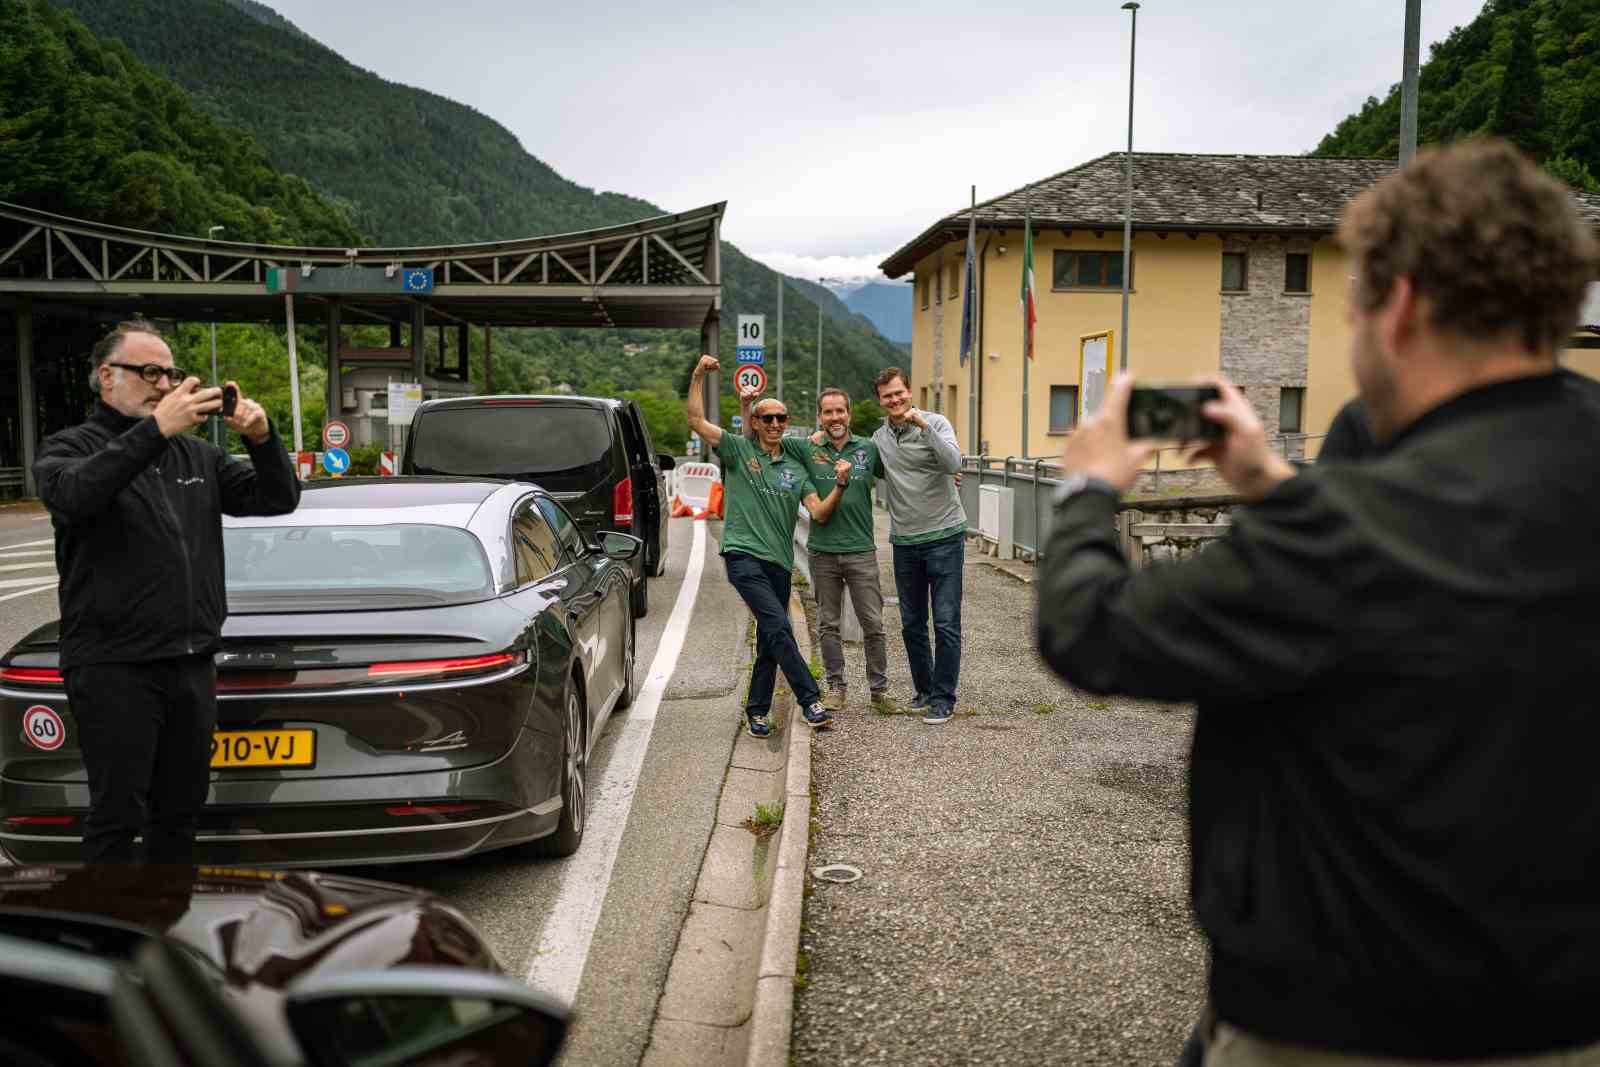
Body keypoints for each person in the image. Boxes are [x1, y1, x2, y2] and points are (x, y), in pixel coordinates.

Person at [1036, 140, 1600, 1064]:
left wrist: (1088, 489)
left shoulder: (1354, 526)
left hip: (1346, 1020)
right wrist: (1273, 482)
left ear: (1402, 306)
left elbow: (1090, 629)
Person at [32, 320, 301, 864]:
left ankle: (163, 930)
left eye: (169, 373)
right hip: (113, 665)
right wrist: (154, 431)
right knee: (117, 815)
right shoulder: (68, 448)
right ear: (106, 377)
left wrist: (262, 439)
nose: (162, 384)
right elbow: (77, 497)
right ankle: (106, 939)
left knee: (180, 813)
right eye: (149, 372)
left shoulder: (195, 457)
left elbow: (277, 499)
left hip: (190, 662)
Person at [686, 355, 852, 737]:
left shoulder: (795, 468)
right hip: (744, 557)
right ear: (755, 424)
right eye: (768, 418)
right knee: (780, 626)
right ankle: (810, 700)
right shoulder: (738, 452)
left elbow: (819, 513)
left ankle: (757, 711)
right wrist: (697, 376)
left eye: (782, 418)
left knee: (768, 638)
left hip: (779, 564)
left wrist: (840, 486)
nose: (776, 424)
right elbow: (696, 421)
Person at [742, 386, 890, 713]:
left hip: (861, 550)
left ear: (848, 414)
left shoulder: (868, 447)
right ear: (819, 417)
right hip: (822, 551)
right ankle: (837, 687)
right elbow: (755, 438)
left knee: (874, 623)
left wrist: (949, 472)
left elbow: (904, 468)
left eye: (840, 411)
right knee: (828, 624)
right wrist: (747, 403)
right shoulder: (805, 448)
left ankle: (879, 691)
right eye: (828, 412)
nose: (835, 418)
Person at [869, 367, 965, 725]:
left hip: (945, 536)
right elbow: (869, 467)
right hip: (905, 541)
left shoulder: (936, 423)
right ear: (880, 401)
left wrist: (923, 426)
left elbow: (954, 462)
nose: (894, 400)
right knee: (911, 623)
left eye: (899, 393)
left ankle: (944, 698)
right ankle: (924, 692)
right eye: (887, 396)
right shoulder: (879, 438)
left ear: (910, 392)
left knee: (945, 622)